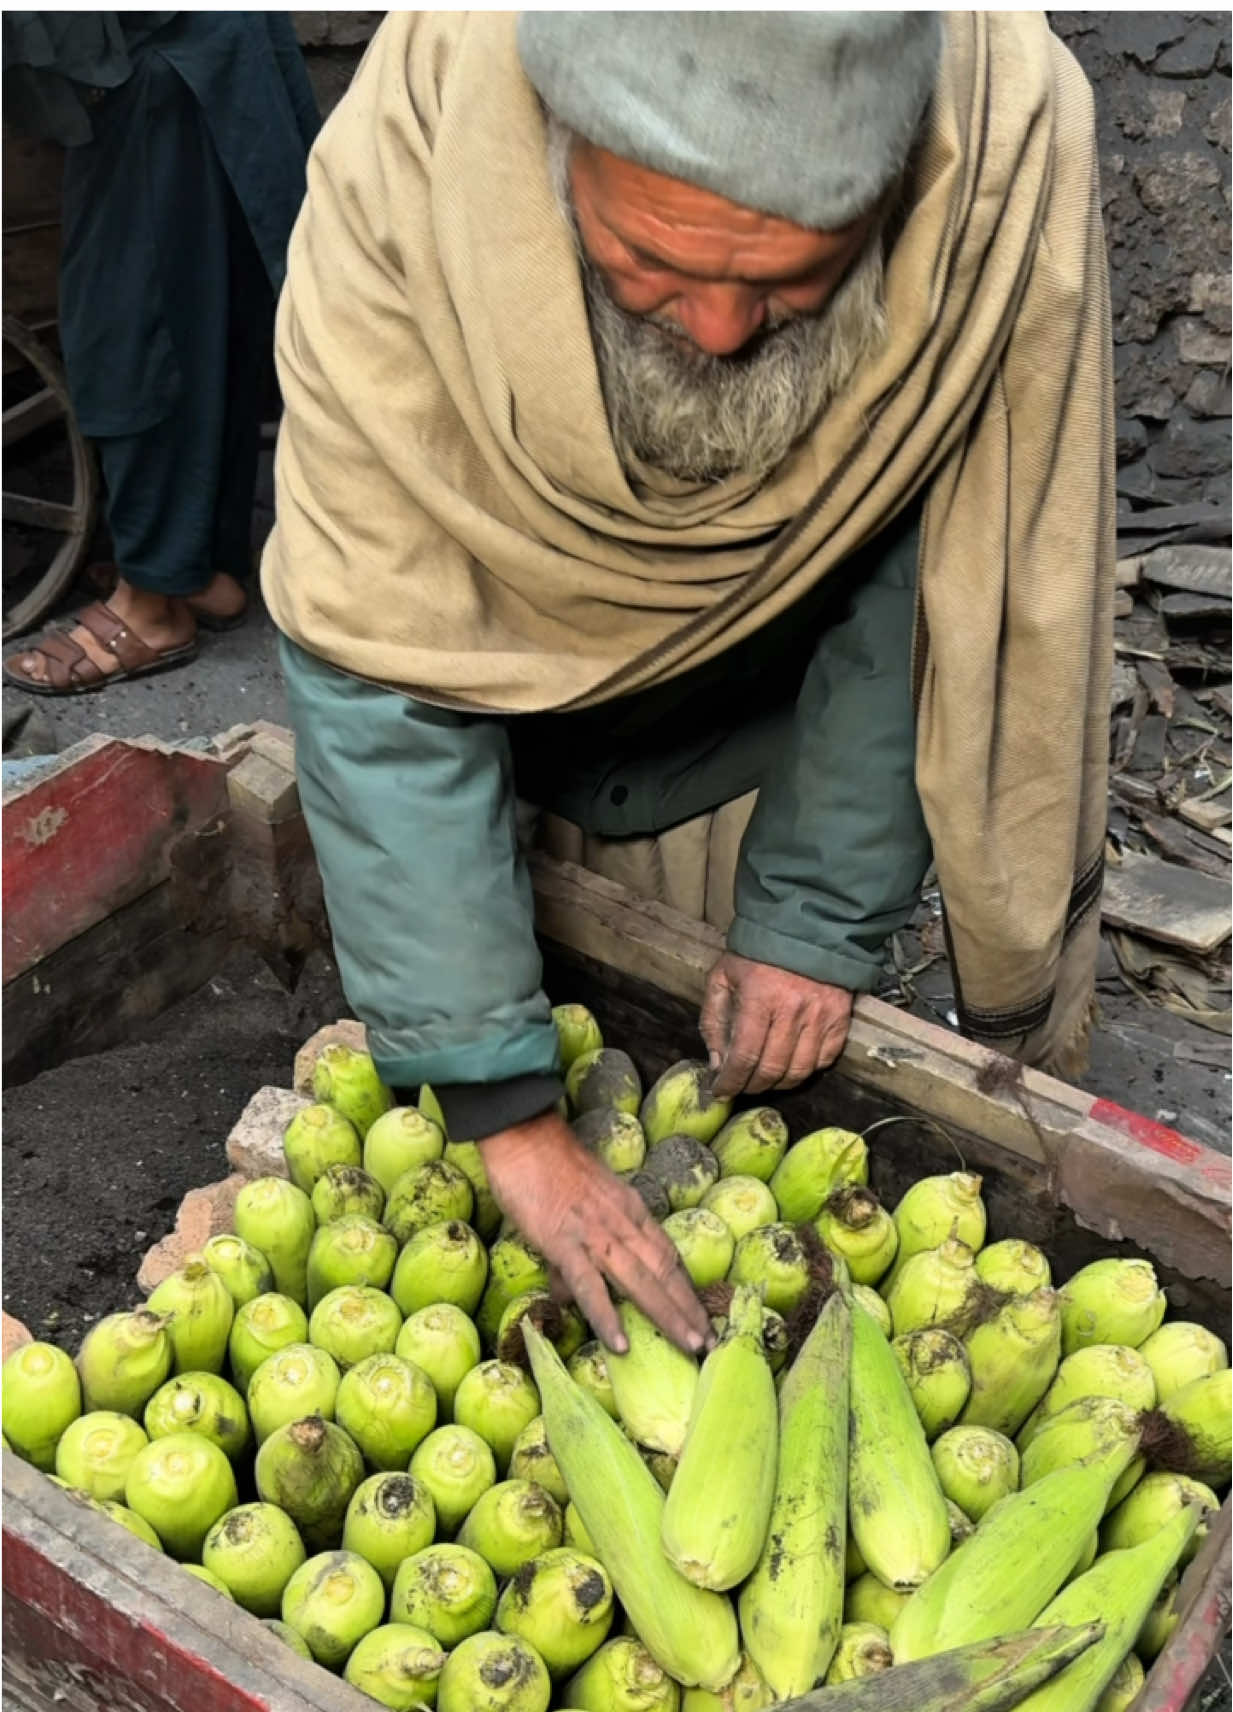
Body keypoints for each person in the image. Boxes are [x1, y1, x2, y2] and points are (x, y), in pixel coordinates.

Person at [261, 13, 1115, 1353]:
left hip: (756, 746)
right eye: (646, 260)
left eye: (793, 281)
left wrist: (815, 913)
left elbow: (931, 572)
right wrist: (501, 1106)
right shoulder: (408, 184)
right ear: (551, 158)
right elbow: (382, 655)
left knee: (708, 1042)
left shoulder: (993, 161)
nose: (718, 332)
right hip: (471, 752)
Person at [3, 12, 319, 695]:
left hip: (165, 56)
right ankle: (200, 569)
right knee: (202, 313)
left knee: (135, 335)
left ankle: (150, 606)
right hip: (195, 50)